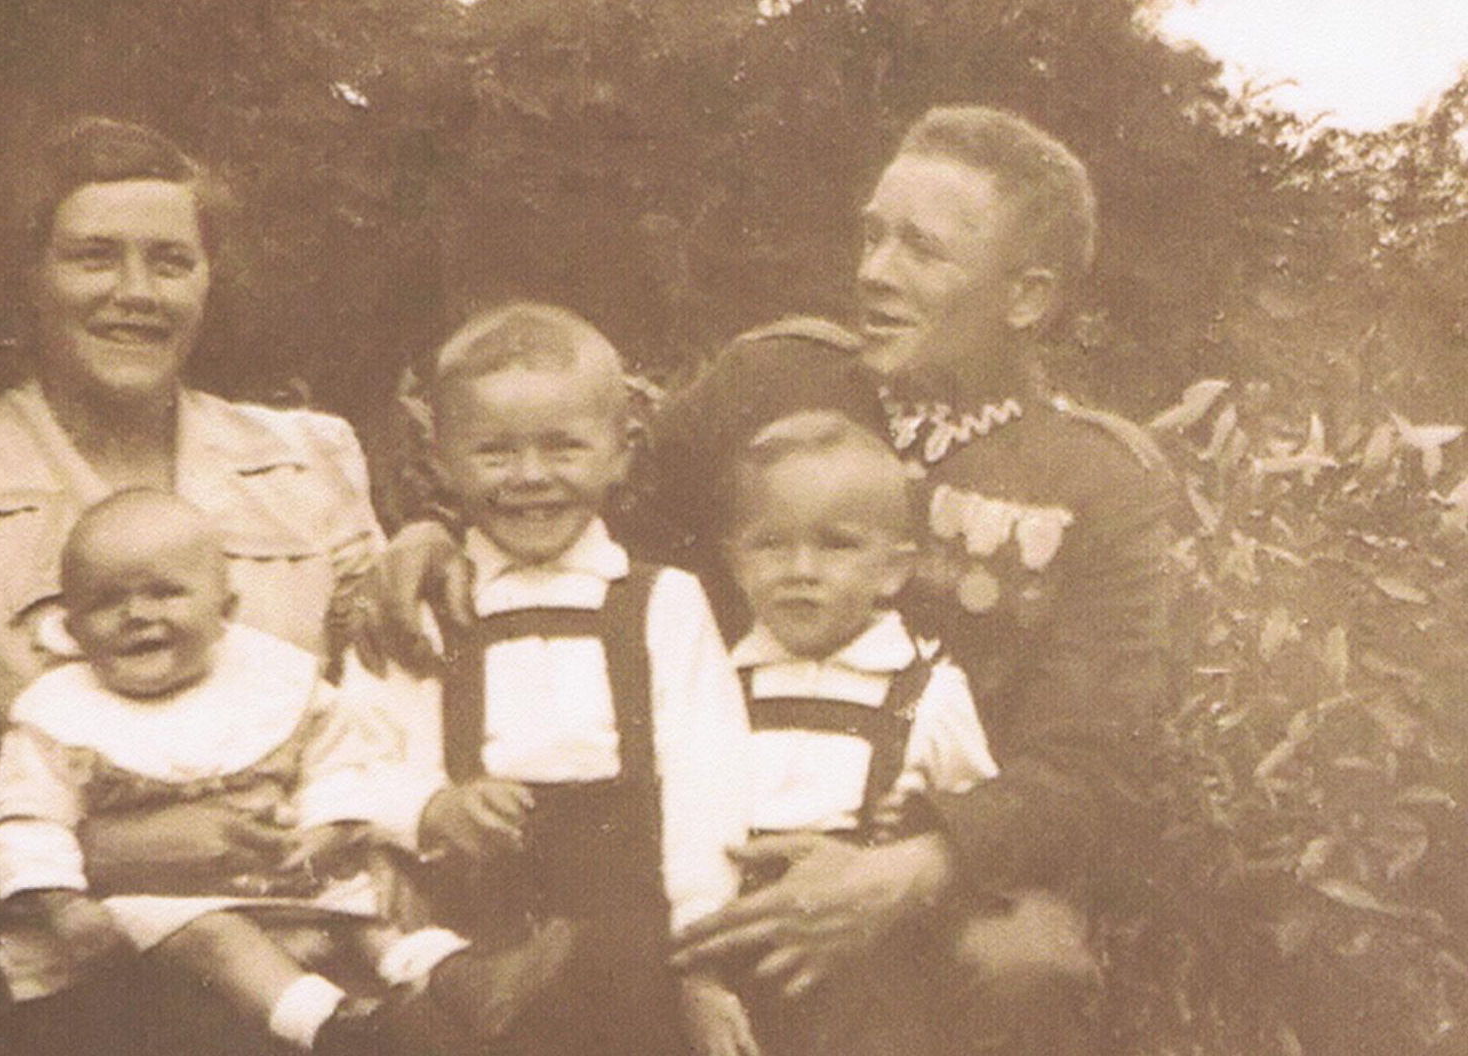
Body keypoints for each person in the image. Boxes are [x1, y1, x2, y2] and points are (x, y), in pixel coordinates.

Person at [354, 105, 1175, 1055]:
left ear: (1026, 298)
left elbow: (1090, 763)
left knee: (1024, 960)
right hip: (698, 816)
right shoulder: (772, 382)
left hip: (924, 853)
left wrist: (910, 869)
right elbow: (595, 525)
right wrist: (443, 535)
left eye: (921, 249)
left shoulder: (1097, 481)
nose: (874, 271)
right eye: (872, 235)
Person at [0, 116, 385, 1055]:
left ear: (208, 282)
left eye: (171, 261)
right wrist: (124, 852)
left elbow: (394, 683)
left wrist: (430, 552)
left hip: (342, 946)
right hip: (96, 1002)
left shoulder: (306, 460)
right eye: (93, 257)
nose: (136, 293)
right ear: (28, 277)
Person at [342, 302, 757, 1056]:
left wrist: (701, 964)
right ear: (440, 460)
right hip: (471, 946)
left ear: (621, 451)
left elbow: (708, 786)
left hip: (635, 952)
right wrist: (431, 809)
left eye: (564, 446)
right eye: (494, 452)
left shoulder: (664, 602)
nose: (531, 477)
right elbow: (352, 758)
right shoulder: (423, 608)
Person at [0, 489, 500, 1054]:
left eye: (165, 592)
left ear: (224, 609)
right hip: (161, 903)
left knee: (368, 908)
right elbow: (26, 819)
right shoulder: (59, 715)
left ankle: (453, 976)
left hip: (287, 874)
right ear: (72, 627)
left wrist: (326, 829)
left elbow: (339, 758)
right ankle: (340, 1027)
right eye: (106, 602)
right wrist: (61, 903)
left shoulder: (269, 679)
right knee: (217, 936)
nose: (137, 615)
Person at [719, 409, 995, 1054]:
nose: (801, 569)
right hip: (737, 953)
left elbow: (970, 822)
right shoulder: (716, 680)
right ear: (735, 562)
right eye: (771, 544)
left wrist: (918, 830)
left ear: (893, 570)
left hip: (869, 969)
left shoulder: (926, 693)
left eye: (837, 544)